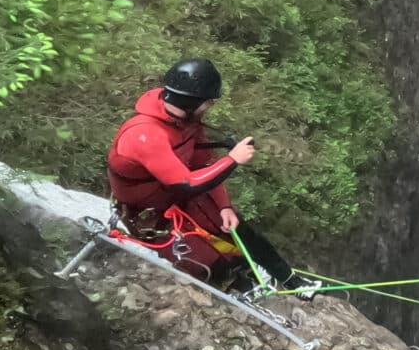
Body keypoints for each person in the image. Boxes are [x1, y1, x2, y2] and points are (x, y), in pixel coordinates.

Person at [105, 56, 293, 288]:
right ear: (190, 102)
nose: (210, 106)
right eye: (208, 102)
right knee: (210, 267)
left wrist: (225, 206)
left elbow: (202, 165)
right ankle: (243, 288)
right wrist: (233, 159)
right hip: (150, 215)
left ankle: (291, 280)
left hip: (178, 201)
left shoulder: (185, 123)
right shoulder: (145, 134)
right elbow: (186, 183)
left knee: (238, 231)